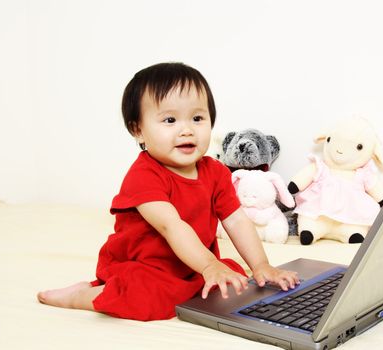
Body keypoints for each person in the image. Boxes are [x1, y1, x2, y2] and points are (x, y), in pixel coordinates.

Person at [37, 62, 299, 321]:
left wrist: (261, 266)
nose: (186, 130)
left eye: (197, 118)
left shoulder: (216, 171)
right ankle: (81, 296)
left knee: (234, 281)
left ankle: (211, 274)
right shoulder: (144, 176)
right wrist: (209, 265)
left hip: (190, 265)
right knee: (147, 299)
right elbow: (171, 226)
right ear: (138, 130)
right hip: (145, 266)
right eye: (170, 120)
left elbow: (236, 220)